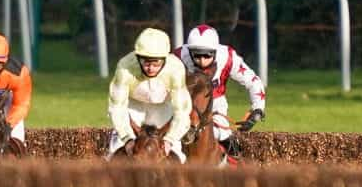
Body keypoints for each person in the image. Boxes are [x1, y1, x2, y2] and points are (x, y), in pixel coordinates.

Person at [174, 24, 266, 164]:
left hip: (215, 102)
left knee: (222, 133)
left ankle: (238, 162)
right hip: (184, 102)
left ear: (216, 52)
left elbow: (253, 81)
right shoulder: (178, 57)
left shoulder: (228, 57)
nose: (202, 60)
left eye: (207, 55)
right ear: (189, 50)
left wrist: (258, 109)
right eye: (196, 55)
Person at [107, 27, 192, 162]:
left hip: (163, 107)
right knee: (115, 149)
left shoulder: (176, 68)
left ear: (165, 59)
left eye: (156, 63)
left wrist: (170, 140)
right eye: (146, 62)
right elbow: (117, 107)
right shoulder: (125, 66)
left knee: (177, 154)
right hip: (133, 106)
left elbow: (182, 111)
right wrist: (127, 138)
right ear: (138, 57)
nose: (151, 68)